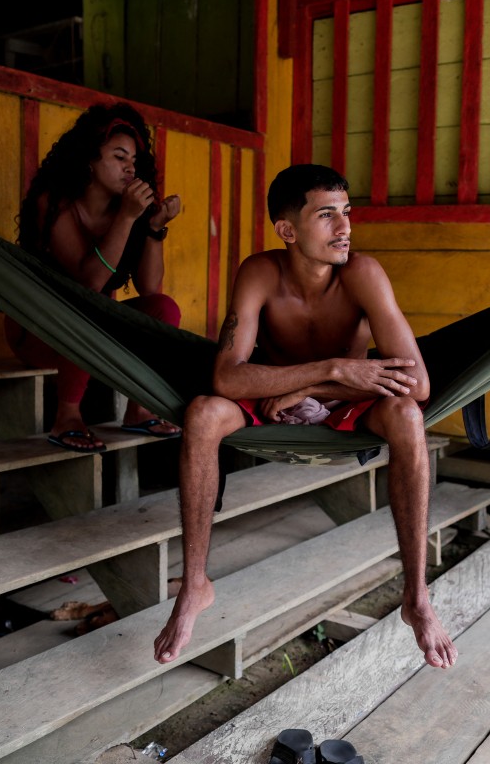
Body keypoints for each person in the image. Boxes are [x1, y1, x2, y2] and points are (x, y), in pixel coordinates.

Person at [152, 164, 457, 669]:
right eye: (326, 215)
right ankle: (196, 584)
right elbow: (226, 378)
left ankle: (417, 595)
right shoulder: (259, 273)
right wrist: (330, 366)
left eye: (347, 213)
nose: (345, 228)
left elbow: (418, 384)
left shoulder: (363, 274)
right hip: (274, 391)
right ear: (288, 230)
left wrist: (319, 384)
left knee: (406, 415)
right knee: (203, 413)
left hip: (343, 398)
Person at [7, 103, 183, 451]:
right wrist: (126, 219)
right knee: (92, 302)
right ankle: (67, 417)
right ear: (89, 159)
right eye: (119, 157)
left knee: (164, 309)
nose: (130, 168)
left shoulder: (129, 212)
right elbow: (88, 284)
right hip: (38, 334)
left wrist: (153, 227)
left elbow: (149, 288)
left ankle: (139, 409)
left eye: (133, 160)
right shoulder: (54, 204)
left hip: (93, 335)